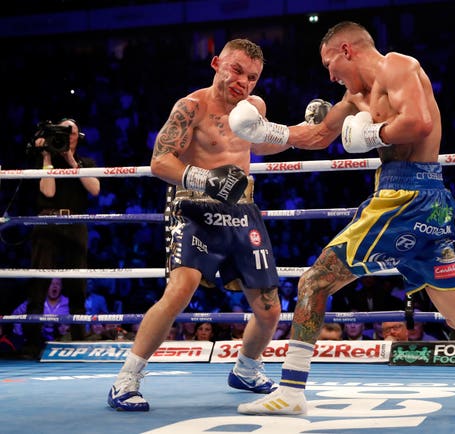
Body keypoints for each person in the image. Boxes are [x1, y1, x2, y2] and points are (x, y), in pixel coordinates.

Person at [229, 21, 455, 414]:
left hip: (406, 196)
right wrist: (263, 130)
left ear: (347, 50)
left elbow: (419, 123)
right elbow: (316, 136)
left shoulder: (398, 67)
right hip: (421, 202)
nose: (329, 75)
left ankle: (292, 392)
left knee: (314, 281)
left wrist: (371, 134)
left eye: (330, 63)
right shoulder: (355, 95)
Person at [107, 38, 317, 412]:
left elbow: (261, 143)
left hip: (241, 209)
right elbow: (160, 161)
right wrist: (207, 179)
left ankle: (247, 369)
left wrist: (303, 128)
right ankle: (127, 378)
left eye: (251, 77)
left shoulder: (255, 107)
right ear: (217, 63)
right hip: (193, 206)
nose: (243, 82)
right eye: (236, 71)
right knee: (181, 288)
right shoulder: (191, 107)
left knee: (269, 309)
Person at [24, 119, 99, 355]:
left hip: (75, 224)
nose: (67, 135)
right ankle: (33, 341)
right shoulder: (45, 160)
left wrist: (69, 160)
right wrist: (47, 157)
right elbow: (49, 191)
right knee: (39, 281)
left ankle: (78, 336)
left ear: (79, 136)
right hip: (47, 223)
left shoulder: (85, 163)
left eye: (72, 131)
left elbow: (95, 189)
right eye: (63, 131)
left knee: (77, 282)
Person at [12, 278, 70, 344]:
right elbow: (16, 314)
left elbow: (76, 323)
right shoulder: (37, 300)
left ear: (61, 287)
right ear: (47, 286)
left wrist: (67, 328)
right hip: (38, 342)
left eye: (58, 284)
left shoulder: (68, 303)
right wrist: (20, 335)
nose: (55, 286)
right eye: (52, 283)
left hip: (60, 342)